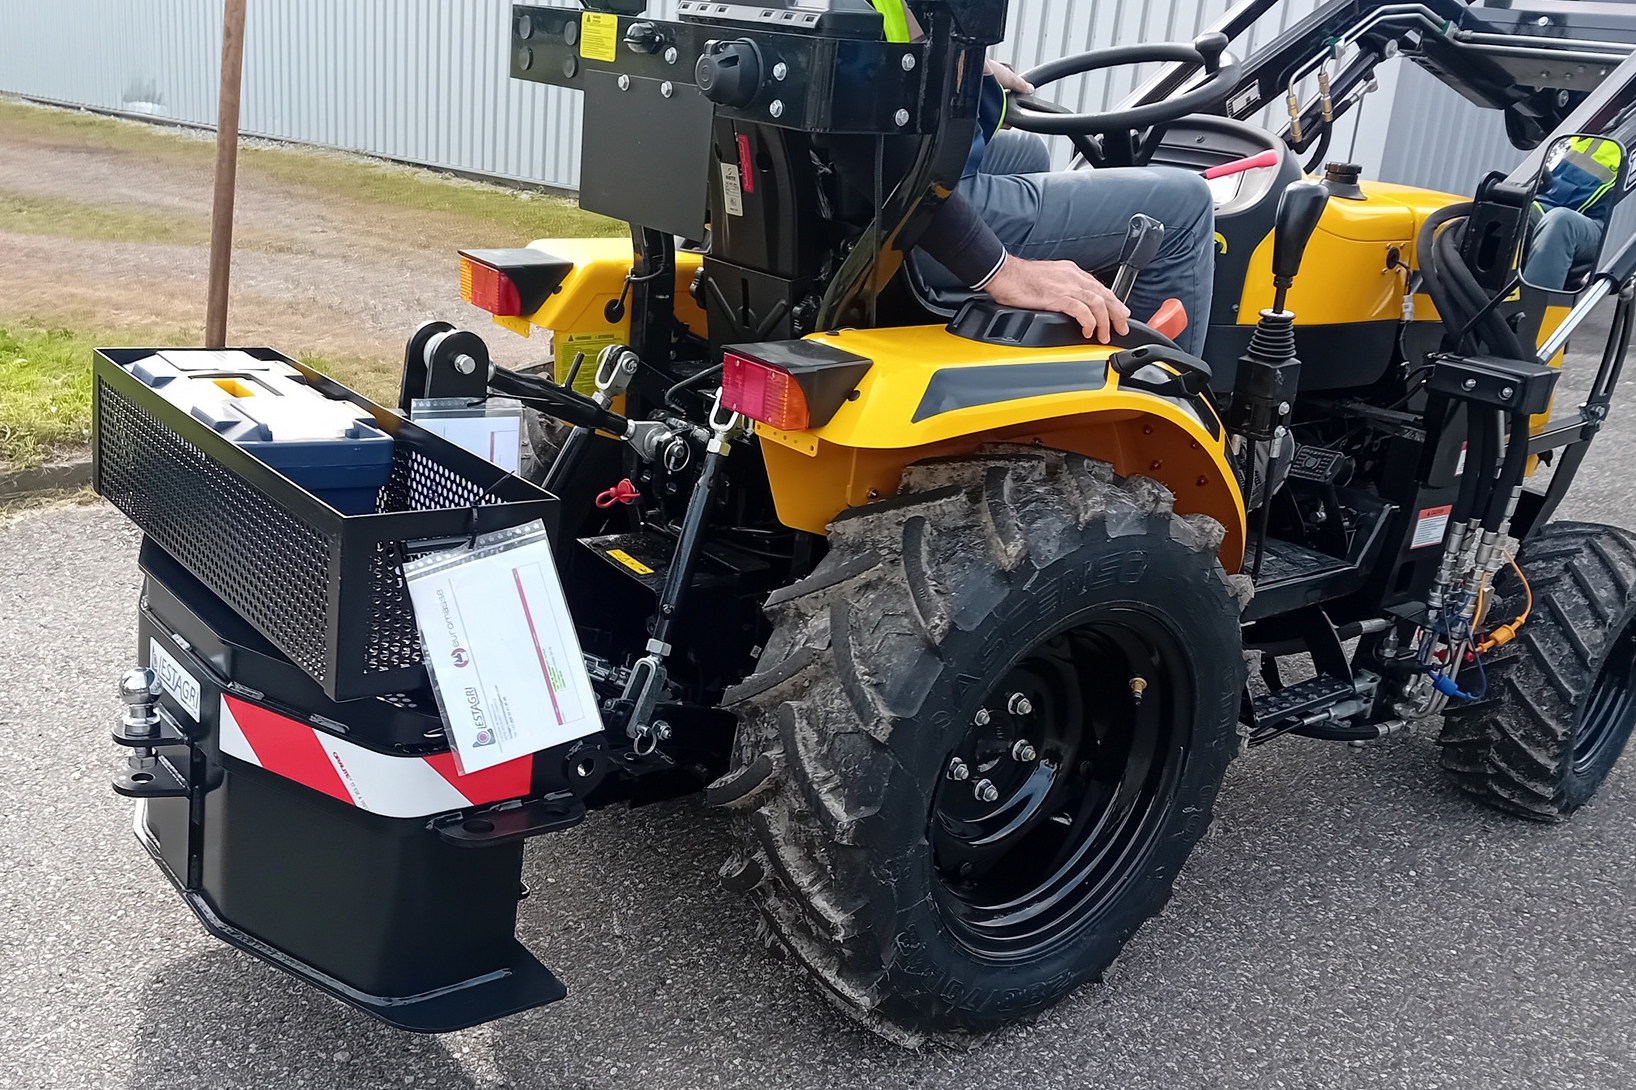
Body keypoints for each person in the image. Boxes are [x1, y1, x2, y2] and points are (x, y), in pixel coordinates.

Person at [875, 1, 1217, 355]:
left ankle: (1025, 349)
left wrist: (979, 72)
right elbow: (882, 161)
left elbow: (902, 68)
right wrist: (1004, 271)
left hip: (896, 172)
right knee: (1183, 205)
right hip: (906, 213)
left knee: (1030, 152)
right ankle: (1161, 387)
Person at [1525, 136, 1623, 291]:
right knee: (1504, 208)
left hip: (1609, 227)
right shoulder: (1604, 120)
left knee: (1561, 222)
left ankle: (1537, 309)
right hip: (1552, 203)